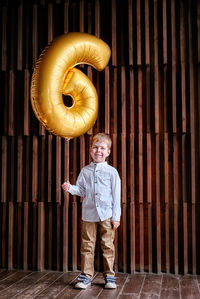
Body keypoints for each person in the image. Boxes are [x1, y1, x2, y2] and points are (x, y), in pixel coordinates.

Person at [62, 133, 121, 289]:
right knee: (87, 245)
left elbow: (116, 196)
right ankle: (86, 276)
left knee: (107, 245)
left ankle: (109, 276)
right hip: (88, 215)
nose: (98, 151)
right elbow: (81, 190)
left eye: (102, 148)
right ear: (90, 150)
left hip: (107, 215)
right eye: (95, 147)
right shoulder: (85, 171)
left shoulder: (112, 172)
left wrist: (116, 217)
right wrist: (70, 188)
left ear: (108, 152)